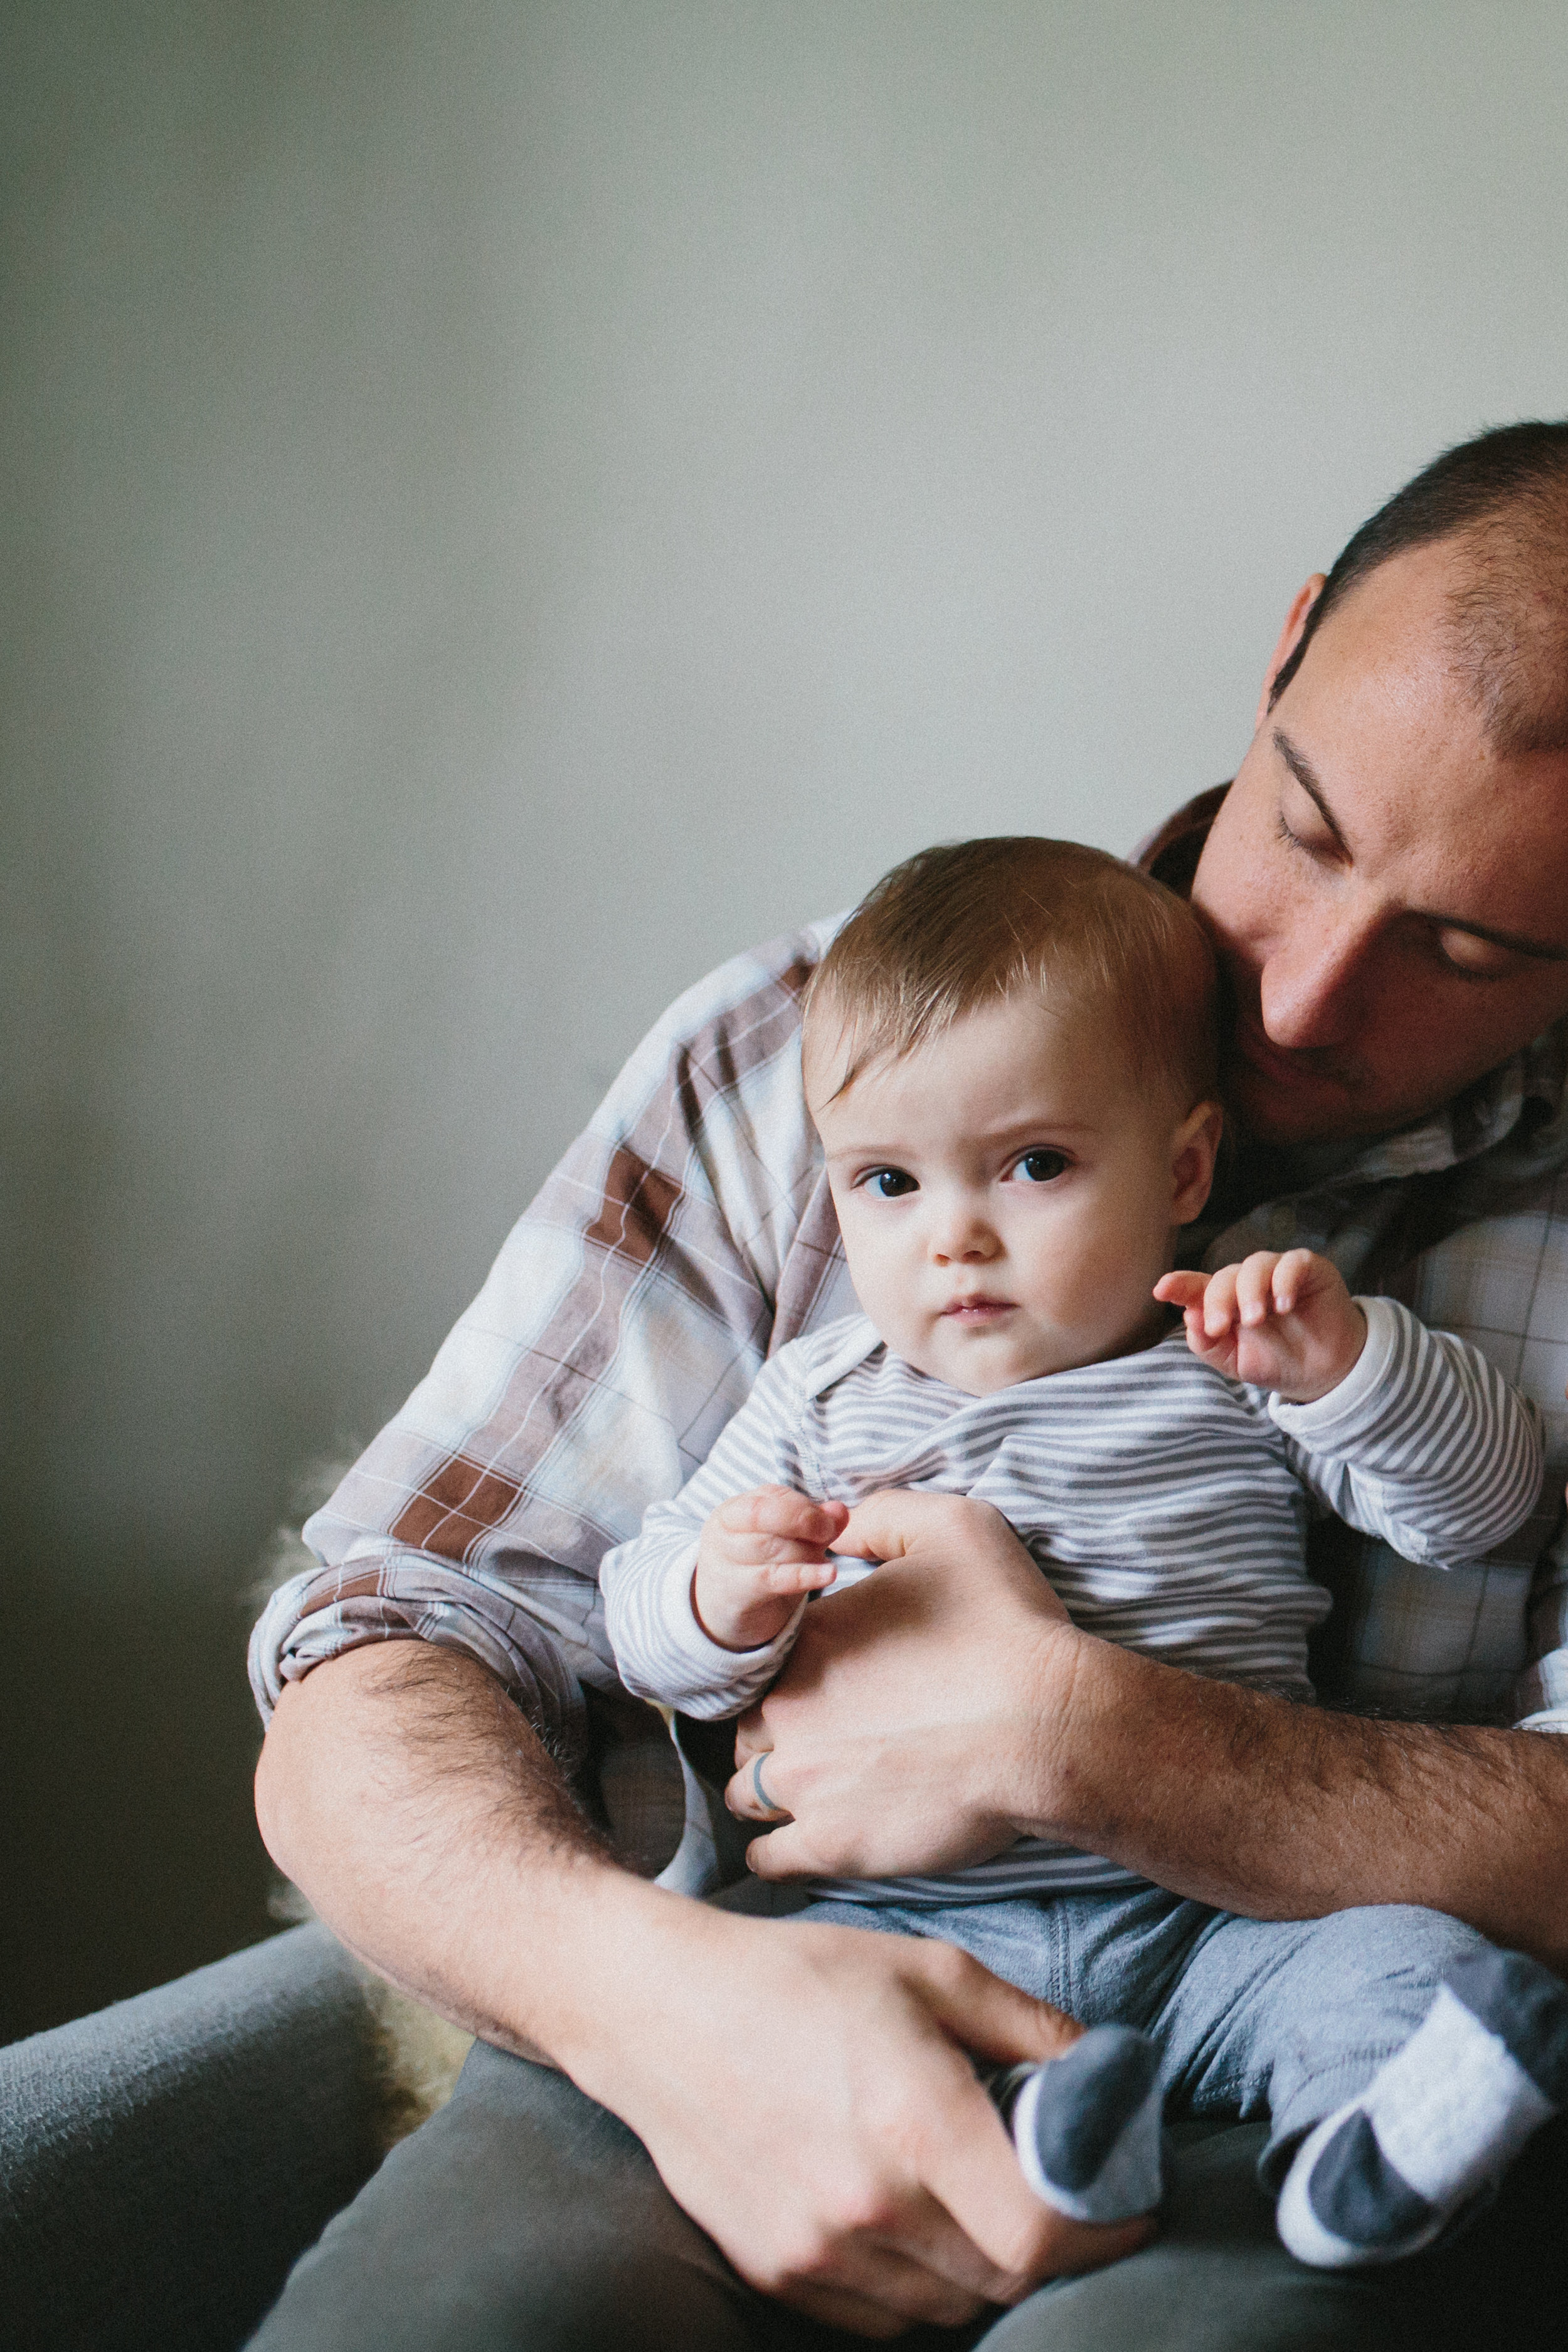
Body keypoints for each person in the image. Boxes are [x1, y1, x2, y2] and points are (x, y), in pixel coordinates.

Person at [248, 420, 1568, 2351]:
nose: (1301, 998)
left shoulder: (1334, 1327)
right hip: (749, 1990)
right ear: (1285, 648)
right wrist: (655, 1998)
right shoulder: (812, 1060)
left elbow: (1472, 1495)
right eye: (1304, 825)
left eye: (1462, 947)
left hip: (1247, 2022)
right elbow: (386, 1630)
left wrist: (1081, 1732)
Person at [600, 833, 1556, 2271]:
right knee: (844, 2037)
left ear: (1182, 1166)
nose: (952, 1242)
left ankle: (1360, 2158)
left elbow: (1480, 1513)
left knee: (1408, 1967)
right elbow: (636, 1616)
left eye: (1030, 1165)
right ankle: (1062, 2148)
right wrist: (711, 1594)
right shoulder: (821, 1393)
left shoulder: (1228, 1357)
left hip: (1214, 1906)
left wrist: (1349, 1370)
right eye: (885, 1185)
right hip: (903, 1923)